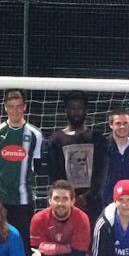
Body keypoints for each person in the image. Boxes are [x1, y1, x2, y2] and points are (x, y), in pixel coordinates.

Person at [0, 89, 44, 256]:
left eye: (18, 106)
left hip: (23, 199)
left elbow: (37, 166)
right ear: (5, 107)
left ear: (25, 107)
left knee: (23, 241)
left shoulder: (35, 134)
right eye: (11, 106)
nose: (15, 110)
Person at [48, 91, 106, 221]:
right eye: (72, 108)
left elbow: (101, 172)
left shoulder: (97, 139)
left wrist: (86, 197)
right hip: (64, 203)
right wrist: (69, 197)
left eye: (80, 108)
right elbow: (54, 174)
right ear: (66, 110)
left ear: (86, 110)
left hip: (92, 204)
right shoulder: (56, 139)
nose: (76, 112)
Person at [100, 109, 129, 206]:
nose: (122, 127)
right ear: (111, 125)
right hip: (105, 203)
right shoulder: (101, 147)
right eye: (118, 123)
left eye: (125, 123)